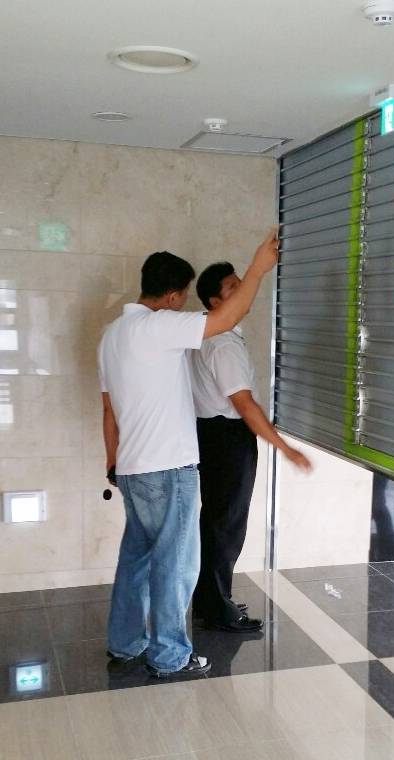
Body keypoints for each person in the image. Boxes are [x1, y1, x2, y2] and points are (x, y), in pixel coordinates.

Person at [98, 232, 278, 677]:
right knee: (175, 565)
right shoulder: (158, 326)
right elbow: (226, 317)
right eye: (181, 298)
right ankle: (170, 656)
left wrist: (112, 461)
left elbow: (108, 409)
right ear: (174, 296)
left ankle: (125, 645)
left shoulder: (112, 335)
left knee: (136, 561)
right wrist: (258, 269)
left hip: (132, 468)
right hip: (168, 468)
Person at [190, 262, 312, 633]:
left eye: (240, 281)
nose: (243, 288)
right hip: (228, 438)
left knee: (216, 520)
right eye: (233, 287)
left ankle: (210, 601)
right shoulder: (224, 344)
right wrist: (286, 449)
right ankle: (217, 609)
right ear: (215, 302)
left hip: (210, 434)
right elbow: (244, 405)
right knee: (225, 525)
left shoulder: (204, 332)